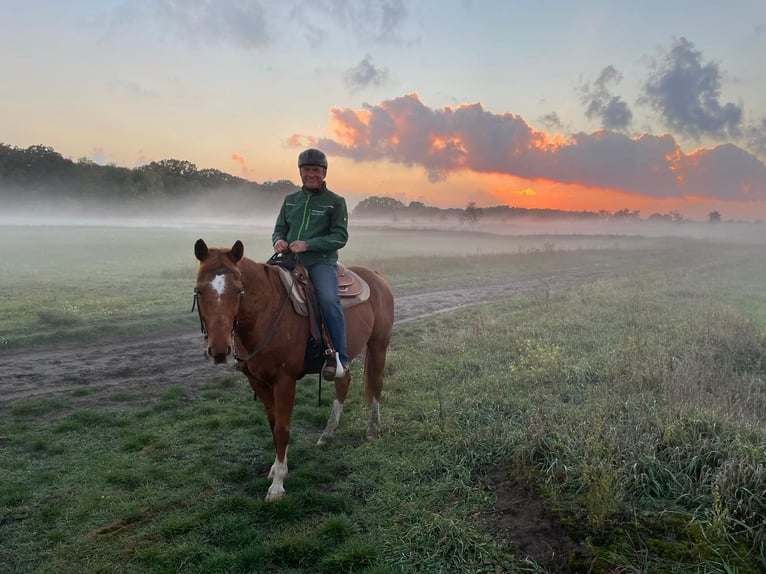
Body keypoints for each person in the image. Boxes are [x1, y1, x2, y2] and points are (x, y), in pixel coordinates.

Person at [272, 148, 349, 380]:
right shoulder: (290, 201)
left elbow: (340, 237)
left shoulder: (335, 202)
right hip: (289, 261)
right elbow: (279, 230)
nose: (311, 174)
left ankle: (340, 358)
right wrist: (278, 241)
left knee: (327, 299)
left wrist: (309, 244)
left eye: (316, 170)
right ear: (300, 172)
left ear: (324, 173)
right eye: (307, 170)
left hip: (320, 263)